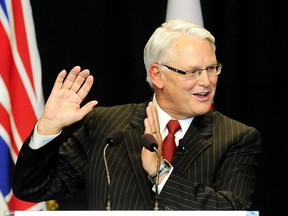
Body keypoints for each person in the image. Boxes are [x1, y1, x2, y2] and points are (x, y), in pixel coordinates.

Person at [12, 19, 261, 210]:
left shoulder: (237, 137)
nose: (206, 81)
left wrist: (160, 173)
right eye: (193, 71)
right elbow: (32, 189)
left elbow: (232, 210)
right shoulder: (105, 125)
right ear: (157, 74)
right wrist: (47, 128)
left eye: (212, 68)